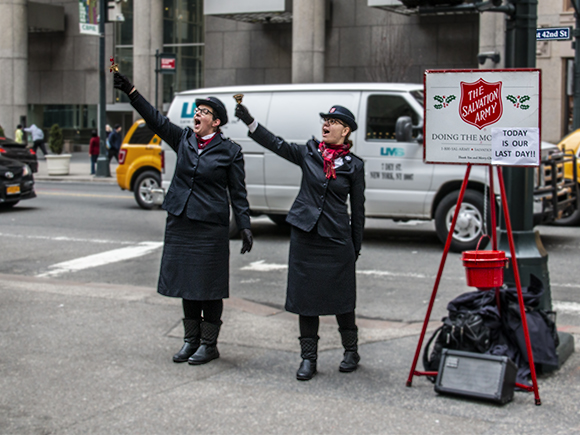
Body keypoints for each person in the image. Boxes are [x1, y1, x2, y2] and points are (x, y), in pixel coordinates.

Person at [114, 72, 253, 365]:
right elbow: (155, 119)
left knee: (209, 287)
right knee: (187, 284)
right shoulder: (184, 139)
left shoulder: (230, 152)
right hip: (181, 221)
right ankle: (190, 340)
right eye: (197, 111)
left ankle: (209, 344)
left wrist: (245, 225)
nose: (197, 115)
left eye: (204, 112)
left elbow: (238, 193)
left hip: (209, 226)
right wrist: (131, 91)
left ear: (216, 121)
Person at [235, 103, 365, 381]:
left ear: (346, 130)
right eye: (324, 120)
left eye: (332, 121)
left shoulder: (355, 166)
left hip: (336, 239)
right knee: (306, 299)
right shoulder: (309, 152)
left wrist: (356, 245)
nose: (325, 125)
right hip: (305, 237)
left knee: (343, 300)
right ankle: (308, 358)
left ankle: (351, 351)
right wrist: (250, 121)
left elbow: (359, 208)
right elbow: (277, 144)